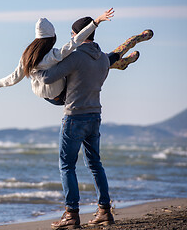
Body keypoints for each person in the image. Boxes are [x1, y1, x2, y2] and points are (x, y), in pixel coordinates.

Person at [34, 17, 152, 229]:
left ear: (78, 35)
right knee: (95, 165)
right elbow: (112, 57)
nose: (71, 38)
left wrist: (33, 69)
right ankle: (104, 211)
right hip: (94, 116)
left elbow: (48, 78)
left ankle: (71, 214)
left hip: (74, 117)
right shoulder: (103, 59)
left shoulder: (76, 56)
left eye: (72, 34)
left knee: (67, 165)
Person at [0, 12, 153, 106]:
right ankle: (120, 57)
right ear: (52, 37)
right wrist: (96, 21)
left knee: (76, 63)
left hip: (50, 98)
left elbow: (14, 77)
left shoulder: (26, 56)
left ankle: (119, 64)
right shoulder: (54, 55)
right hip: (61, 96)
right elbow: (76, 41)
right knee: (80, 62)